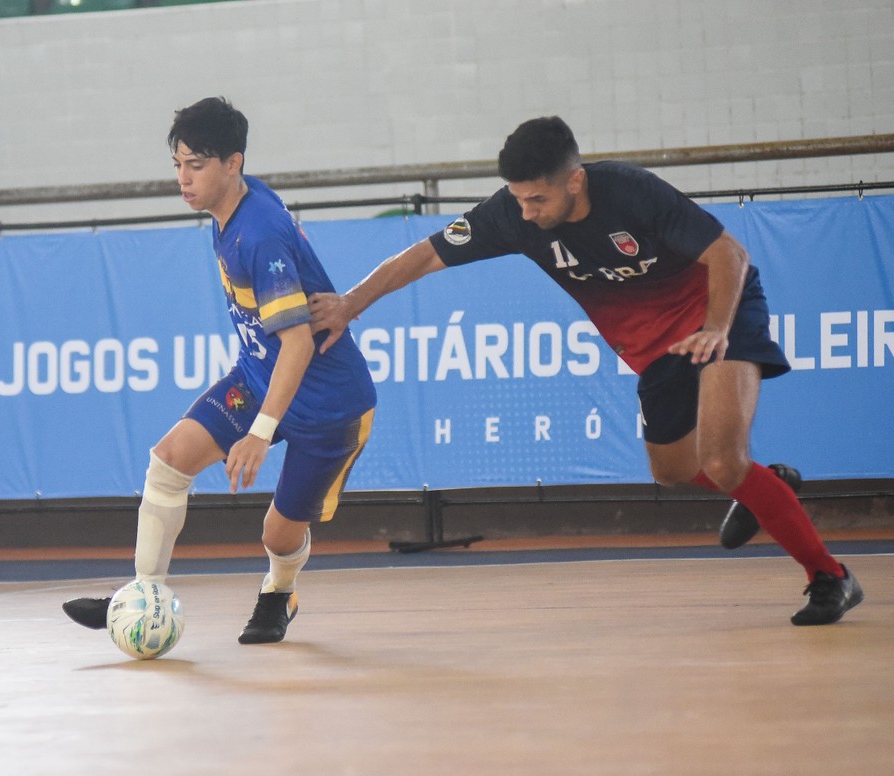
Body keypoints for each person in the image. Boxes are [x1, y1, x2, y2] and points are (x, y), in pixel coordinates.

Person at [309, 116, 862, 626]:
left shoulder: (632, 191)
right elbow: (423, 256)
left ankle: (829, 576)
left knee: (721, 459)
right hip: (655, 348)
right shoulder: (511, 213)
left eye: (537, 198)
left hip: (719, 311)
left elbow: (729, 255)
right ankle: (760, 488)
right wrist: (348, 304)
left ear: (575, 180)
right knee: (673, 470)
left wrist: (717, 327)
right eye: (517, 199)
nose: (525, 212)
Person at [63, 97, 377, 644]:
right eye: (178, 165)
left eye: (197, 165)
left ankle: (279, 591)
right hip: (258, 378)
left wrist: (259, 433)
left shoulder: (259, 233)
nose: (183, 179)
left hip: (328, 407)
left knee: (277, 535)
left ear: (233, 164)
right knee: (168, 461)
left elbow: (298, 344)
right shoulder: (232, 205)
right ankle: (143, 595)